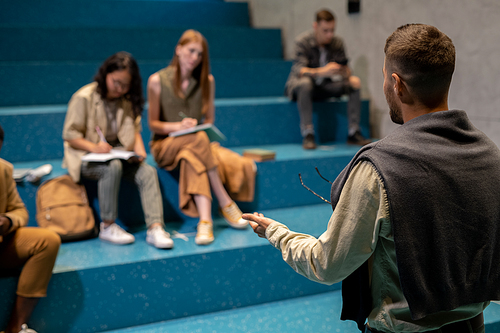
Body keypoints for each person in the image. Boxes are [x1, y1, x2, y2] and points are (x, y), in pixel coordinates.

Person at [244, 24, 500, 332]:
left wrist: (278, 233)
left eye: (382, 76)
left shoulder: (378, 169)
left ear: (397, 84)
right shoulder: (490, 154)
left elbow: (326, 264)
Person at [147, 29, 255, 246]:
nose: (195, 58)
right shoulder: (157, 80)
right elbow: (153, 125)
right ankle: (225, 201)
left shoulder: (207, 81)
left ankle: (205, 221)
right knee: (198, 140)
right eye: (191, 51)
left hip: (193, 146)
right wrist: (179, 126)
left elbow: (209, 120)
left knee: (192, 153)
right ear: (178, 50)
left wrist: (199, 131)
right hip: (165, 145)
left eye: (200, 54)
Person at [62, 52, 173, 249]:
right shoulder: (84, 97)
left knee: (147, 172)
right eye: (116, 82)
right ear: (106, 74)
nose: (119, 88)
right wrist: (94, 147)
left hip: (118, 155)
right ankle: (108, 225)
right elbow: (70, 135)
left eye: (125, 84)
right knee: (112, 166)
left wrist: (139, 153)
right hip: (87, 157)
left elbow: (135, 130)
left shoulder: (126, 100)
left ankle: (155, 228)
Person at [0, 124, 61, 333]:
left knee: (47, 241)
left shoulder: (3, 169)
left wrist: (8, 221)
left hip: (2, 242)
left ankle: (16, 328)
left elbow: (19, 210)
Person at [285, 9, 370, 149]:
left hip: (325, 86)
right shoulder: (303, 41)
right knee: (305, 83)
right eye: (325, 30)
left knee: (355, 82)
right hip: (302, 87)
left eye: (332, 30)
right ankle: (308, 134)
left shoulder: (337, 43)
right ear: (315, 26)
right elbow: (299, 71)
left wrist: (343, 71)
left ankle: (353, 132)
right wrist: (322, 72)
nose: (329, 34)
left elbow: (347, 70)